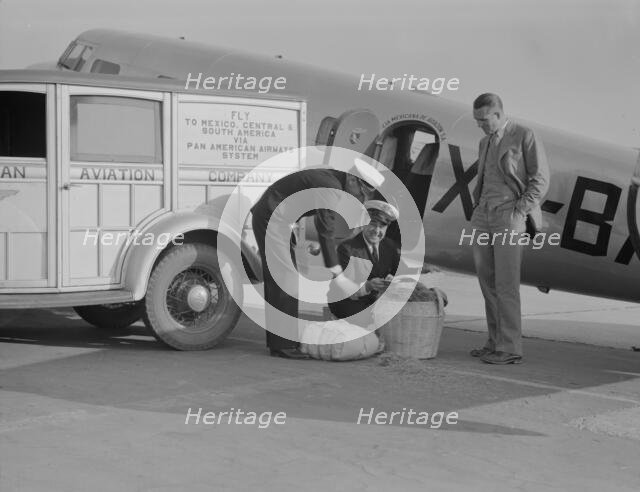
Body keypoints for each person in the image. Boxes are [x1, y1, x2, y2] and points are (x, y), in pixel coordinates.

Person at [251, 161, 383, 359]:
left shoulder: (333, 180)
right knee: (285, 280)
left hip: (279, 220)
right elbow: (324, 226)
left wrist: (327, 246)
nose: (359, 198)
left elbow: (326, 227)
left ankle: (283, 341)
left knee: (285, 278)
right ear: (353, 180)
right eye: (361, 193)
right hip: (272, 219)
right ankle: (282, 345)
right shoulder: (330, 186)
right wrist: (337, 272)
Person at [470, 93, 549, 365]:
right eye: (477, 121)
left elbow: (540, 179)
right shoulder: (484, 142)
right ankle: (494, 342)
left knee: (506, 284)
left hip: (509, 215)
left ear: (498, 114)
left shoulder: (524, 135)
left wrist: (520, 209)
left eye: (484, 120)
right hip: (483, 215)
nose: (480, 125)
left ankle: (510, 347)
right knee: (487, 282)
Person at [328, 200, 400, 327]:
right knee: (374, 321)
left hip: (376, 302)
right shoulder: (347, 249)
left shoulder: (389, 246)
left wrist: (392, 280)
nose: (377, 230)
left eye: (382, 226)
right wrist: (368, 286)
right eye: (373, 224)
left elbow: (398, 272)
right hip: (348, 303)